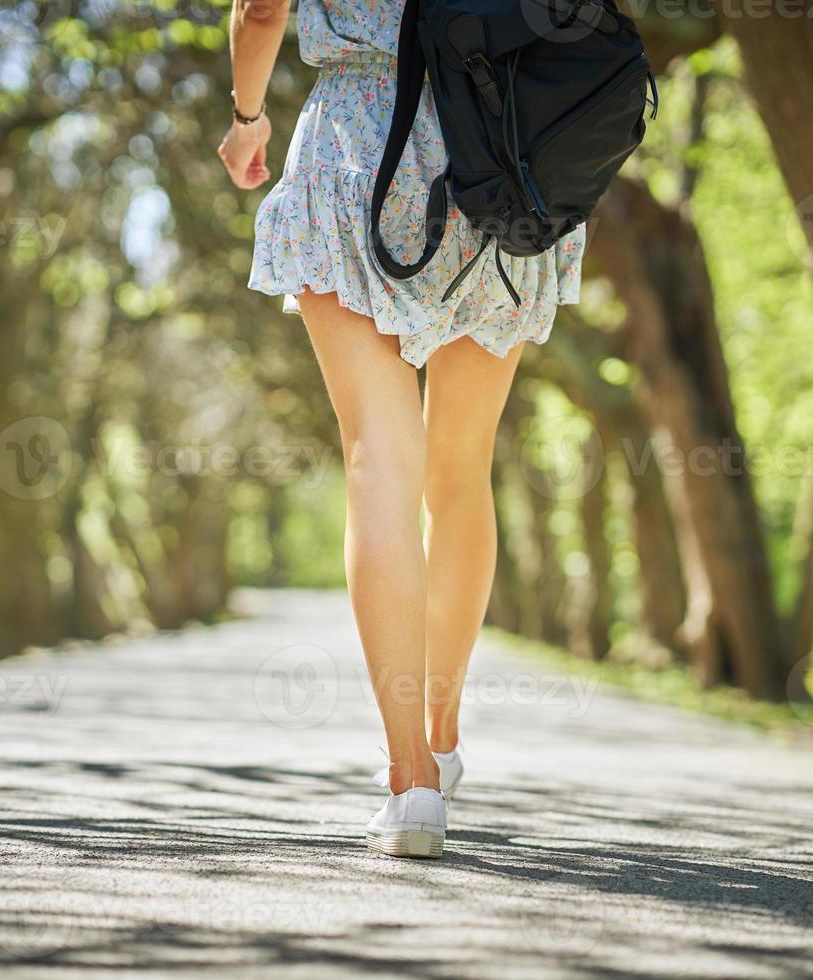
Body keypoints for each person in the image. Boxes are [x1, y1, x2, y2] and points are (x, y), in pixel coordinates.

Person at [219, 0, 585, 858]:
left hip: (357, 139)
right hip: (501, 146)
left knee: (379, 463)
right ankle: (444, 731)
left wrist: (246, 116)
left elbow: (264, 7)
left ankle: (411, 778)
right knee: (458, 471)